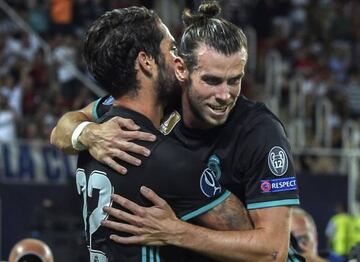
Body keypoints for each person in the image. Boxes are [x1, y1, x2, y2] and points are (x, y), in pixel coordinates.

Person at [51, 1, 302, 261]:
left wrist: (179, 232)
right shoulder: (156, 105)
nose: (225, 95)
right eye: (211, 80)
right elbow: (63, 127)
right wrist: (88, 133)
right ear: (183, 71)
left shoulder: (259, 131)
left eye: (235, 80)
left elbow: (274, 252)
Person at [74, 5, 252, 262]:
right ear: (146, 62)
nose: (180, 58)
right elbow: (249, 239)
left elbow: (67, 125)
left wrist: (83, 132)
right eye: (171, 49)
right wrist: (181, 233)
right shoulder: (167, 159)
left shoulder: (95, 140)